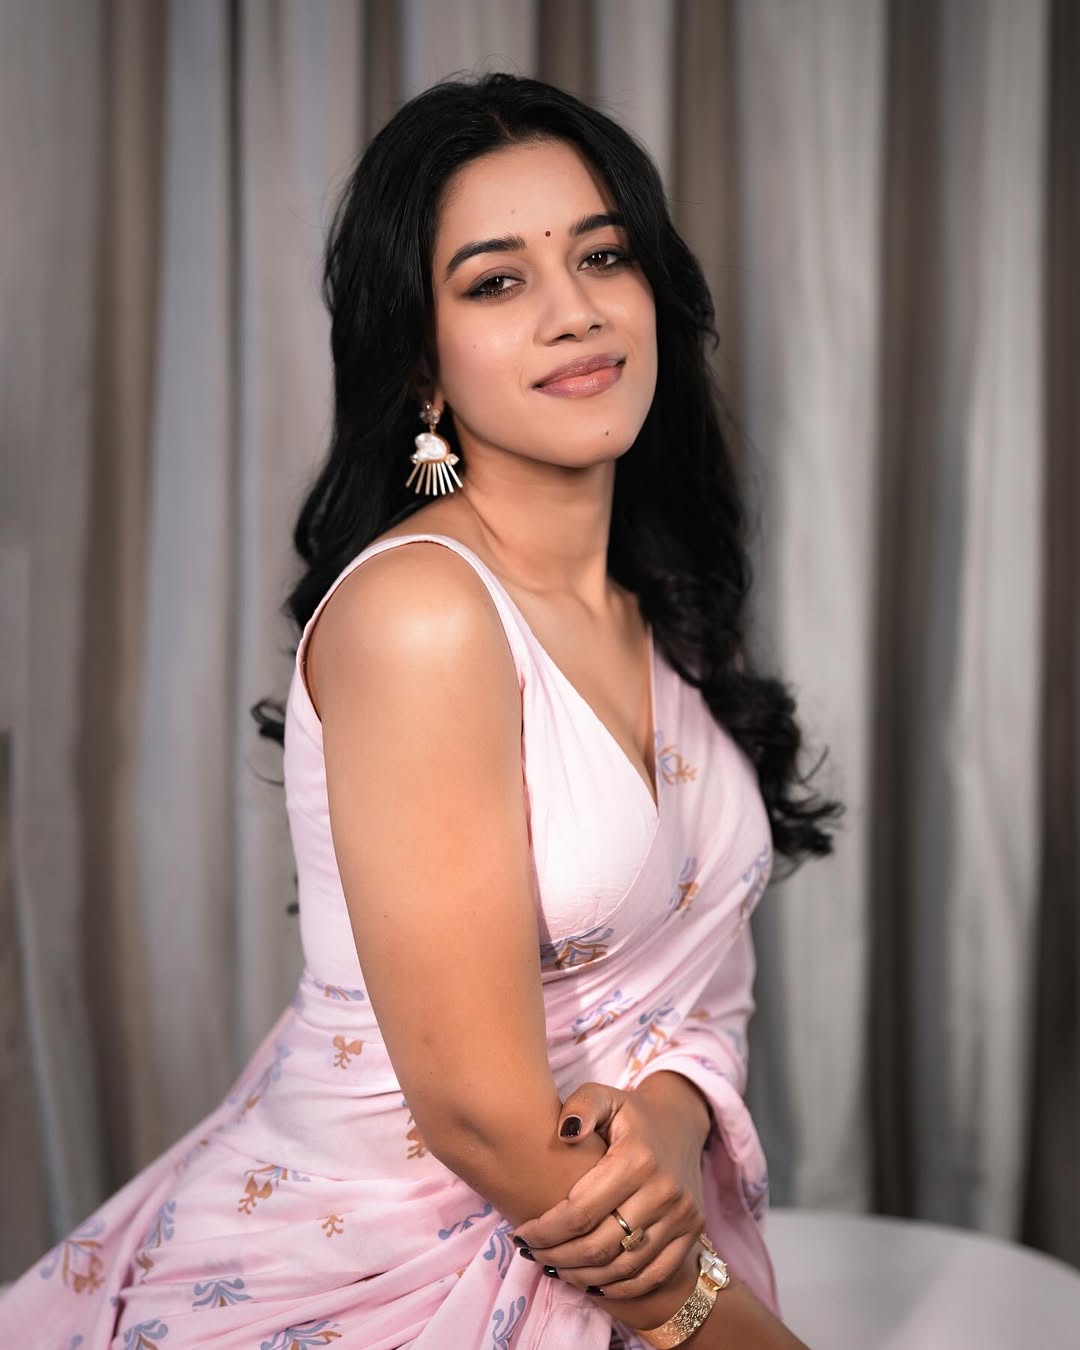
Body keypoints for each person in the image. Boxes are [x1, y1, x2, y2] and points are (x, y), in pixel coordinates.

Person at [1, 73, 840, 1348]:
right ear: (423, 371)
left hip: (629, 1245)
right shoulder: (422, 614)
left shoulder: (654, 613)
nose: (573, 309)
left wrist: (672, 1117)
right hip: (380, 1283)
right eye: (497, 281)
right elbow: (490, 1129)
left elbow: (700, 982)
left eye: (602, 256)